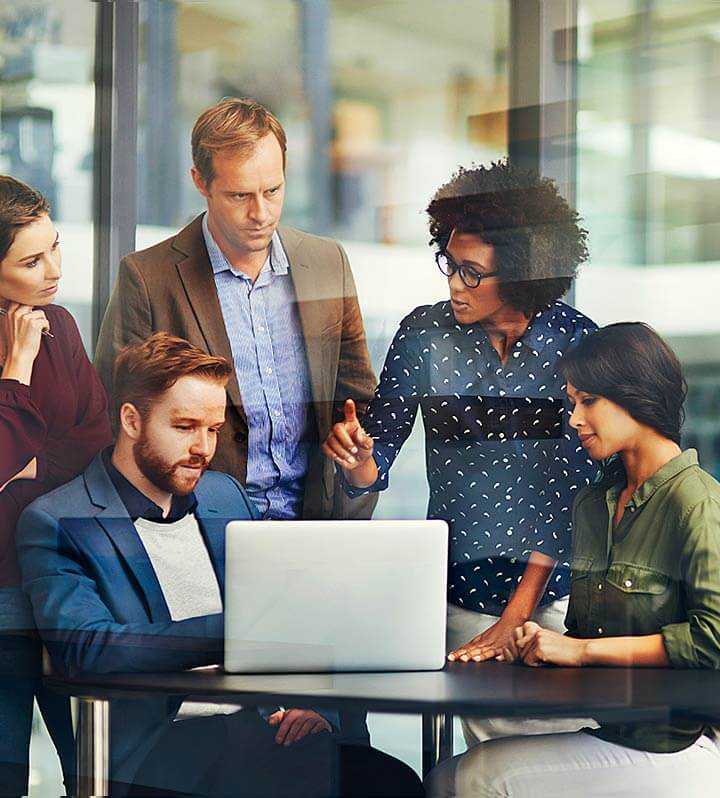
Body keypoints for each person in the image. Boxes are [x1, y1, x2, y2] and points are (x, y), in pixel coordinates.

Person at [17, 333, 423, 796]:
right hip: (156, 753)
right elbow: (88, 648)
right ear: (131, 420)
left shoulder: (223, 494)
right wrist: (238, 635)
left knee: (393, 783)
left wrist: (311, 706)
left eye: (212, 429)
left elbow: (288, 615)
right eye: (185, 426)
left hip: (260, 728)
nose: (203, 448)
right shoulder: (58, 519)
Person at [323, 160, 598, 744]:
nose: (453, 285)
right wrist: (358, 459)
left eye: (472, 273)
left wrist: (513, 620)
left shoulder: (577, 344)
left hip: (552, 601)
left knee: (547, 754)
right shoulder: (424, 335)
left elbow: (573, 497)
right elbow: (379, 456)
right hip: (454, 594)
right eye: (450, 264)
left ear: (522, 276)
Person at [426, 323, 720, 797]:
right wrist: (540, 646)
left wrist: (578, 651)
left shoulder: (696, 501)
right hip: (610, 730)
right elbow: (587, 636)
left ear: (636, 397)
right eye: (572, 402)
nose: (574, 419)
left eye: (589, 402)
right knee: (445, 777)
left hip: (674, 748)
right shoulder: (594, 503)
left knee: (475, 779)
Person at [93, 97, 376, 523]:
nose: (260, 213)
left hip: (314, 528)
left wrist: (354, 448)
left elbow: (358, 398)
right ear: (200, 182)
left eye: (273, 191)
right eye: (239, 195)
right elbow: (116, 423)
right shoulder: (148, 279)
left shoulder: (326, 263)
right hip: (197, 531)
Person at [0, 175, 112, 795]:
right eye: (31, 260)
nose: (53, 270)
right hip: (1, 595)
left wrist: (26, 464)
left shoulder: (60, 327)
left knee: (93, 769)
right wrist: (14, 370)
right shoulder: (27, 343)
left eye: (56, 248)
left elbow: (93, 444)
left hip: (63, 585)